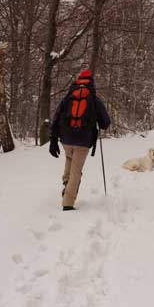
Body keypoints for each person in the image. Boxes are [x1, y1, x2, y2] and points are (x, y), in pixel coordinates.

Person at [49, 69, 110, 211]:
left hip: (65, 138)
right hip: (82, 141)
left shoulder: (68, 97)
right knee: (76, 171)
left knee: (70, 160)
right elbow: (105, 122)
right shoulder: (94, 99)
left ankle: (66, 184)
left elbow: (56, 117)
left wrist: (53, 140)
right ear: (91, 82)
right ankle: (68, 203)